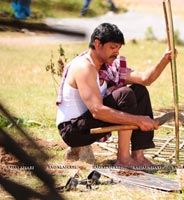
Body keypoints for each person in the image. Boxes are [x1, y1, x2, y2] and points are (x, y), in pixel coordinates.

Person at [56, 23, 174, 167]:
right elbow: (97, 110)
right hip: (73, 130)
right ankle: (123, 159)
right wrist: (138, 120)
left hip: (89, 122)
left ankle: (138, 156)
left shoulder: (110, 67)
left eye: (118, 48)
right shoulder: (84, 67)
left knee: (139, 91)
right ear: (98, 44)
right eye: (112, 47)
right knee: (125, 94)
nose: (116, 52)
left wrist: (165, 59)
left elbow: (145, 79)